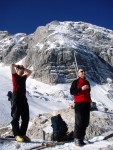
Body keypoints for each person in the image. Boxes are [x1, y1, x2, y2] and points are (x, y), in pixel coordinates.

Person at [10, 64, 32, 142]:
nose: (22, 71)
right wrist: (17, 66)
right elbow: (11, 65)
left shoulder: (23, 78)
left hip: (23, 97)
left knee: (26, 117)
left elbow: (30, 72)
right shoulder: (14, 76)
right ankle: (17, 135)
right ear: (17, 70)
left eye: (23, 70)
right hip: (16, 97)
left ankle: (22, 134)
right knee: (16, 116)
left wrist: (23, 68)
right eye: (21, 70)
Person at [70, 69, 91, 146]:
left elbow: (89, 92)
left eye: (84, 71)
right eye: (81, 71)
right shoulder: (75, 82)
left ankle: (81, 138)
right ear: (78, 74)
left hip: (87, 103)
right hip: (79, 103)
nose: (83, 72)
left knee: (85, 122)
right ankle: (76, 139)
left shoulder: (87, 82)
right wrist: (81, 89)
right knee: (79, 122)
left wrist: (90, 101)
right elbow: (72, 92)